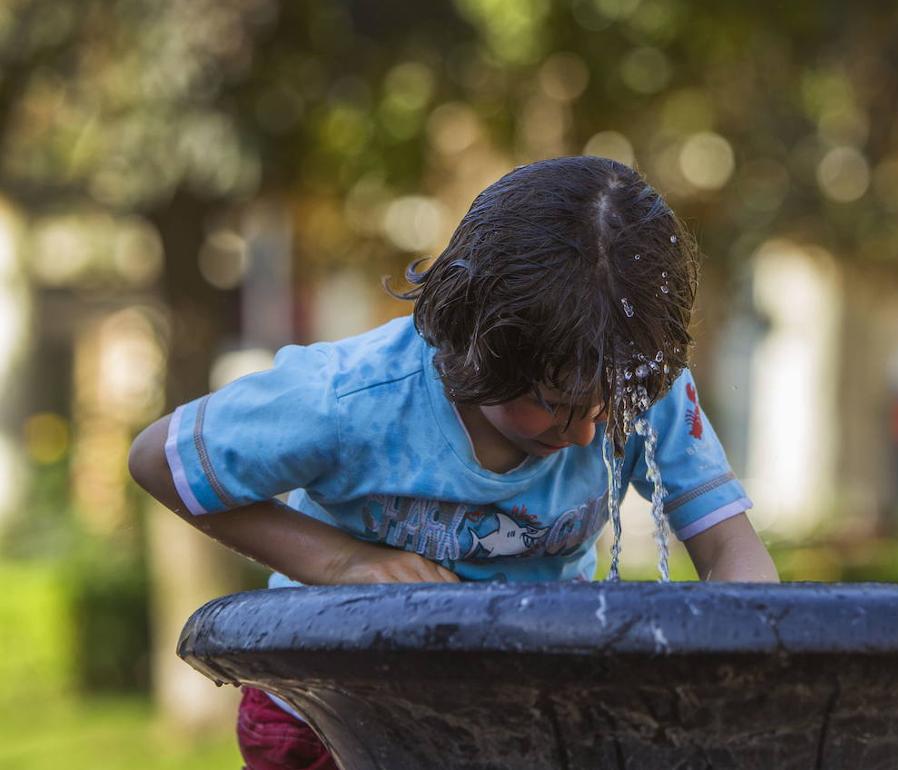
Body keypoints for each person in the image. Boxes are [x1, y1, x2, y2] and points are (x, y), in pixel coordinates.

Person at [128, 156, 779, 770]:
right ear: (476, 343)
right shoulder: (350, 398)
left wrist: (739, 676)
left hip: (516, 705)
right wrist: (341, 563)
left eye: (602, 409)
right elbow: (160, 460)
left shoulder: (631, 381)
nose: (584, 432)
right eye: (552, 403)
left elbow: (733, 551)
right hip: (330, 705)